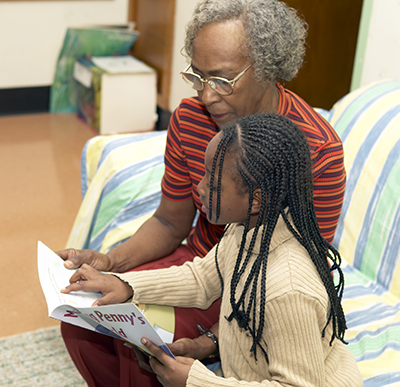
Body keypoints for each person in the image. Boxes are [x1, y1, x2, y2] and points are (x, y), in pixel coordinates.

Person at [58, 0, 346, 385]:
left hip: (258, 283)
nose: (208, 96)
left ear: (267, 67)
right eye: (198, 76)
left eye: (223, 79)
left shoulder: (316, 151)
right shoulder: (191, 120)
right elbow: (169, 219)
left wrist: (213, 340)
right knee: (86, 315)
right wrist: (113, 265)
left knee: (140, 340)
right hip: (203, 263)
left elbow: (303, 268)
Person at [62, 113, 362, 387]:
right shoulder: (246, 230)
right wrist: (125, 285)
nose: (200, 188)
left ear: (256, 200)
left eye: (214, 185)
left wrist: (197, 381)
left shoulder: (289, 289)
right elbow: (202, 280)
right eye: (204, 174)